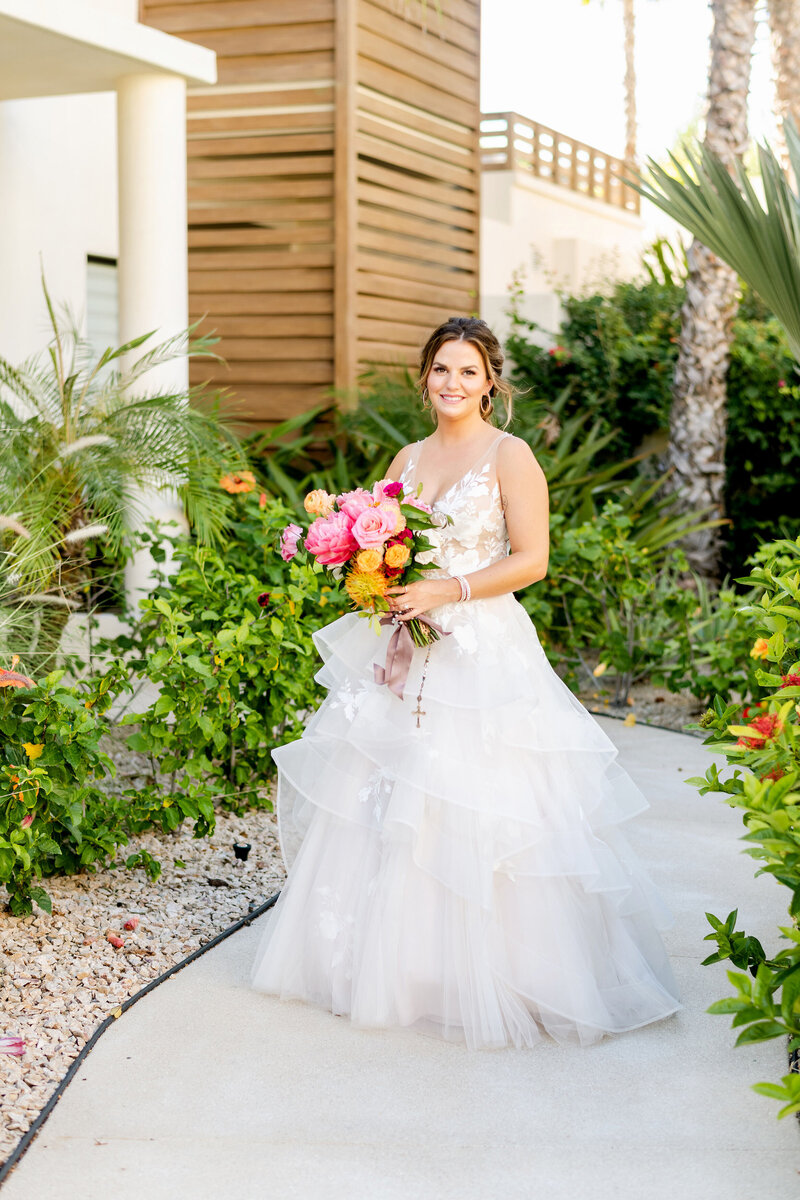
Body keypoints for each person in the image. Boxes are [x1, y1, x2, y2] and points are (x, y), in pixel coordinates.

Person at [250, 316, 682, 1049]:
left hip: (480, 646)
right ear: (425, 377)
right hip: (408, 641)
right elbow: (388, 548)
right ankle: (400, 966)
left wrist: (449, 590)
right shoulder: (408, 455)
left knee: (479, 796)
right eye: (441, 369)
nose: (453, 383)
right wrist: (381, 589)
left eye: (468, 372)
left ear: (490, 384)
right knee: (393, 791)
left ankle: (502, 971)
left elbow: (533, 560)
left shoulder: (510, 457)